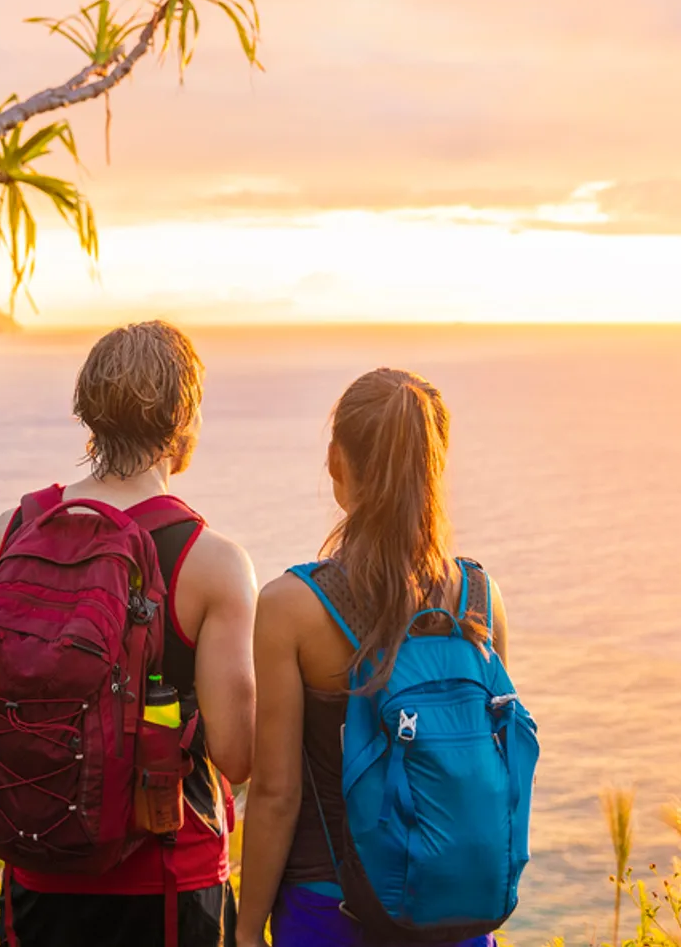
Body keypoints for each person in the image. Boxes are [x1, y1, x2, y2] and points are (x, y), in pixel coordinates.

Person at [0, 320, 259, 947]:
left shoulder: (10, 531)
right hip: (170, 887)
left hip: (37, 876)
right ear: (185, 422)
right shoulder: (211, 562)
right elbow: (237, 755)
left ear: (88, 414)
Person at [236, 368, 514, 947]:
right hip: (452, 916)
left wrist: (243, 929)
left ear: (338, 463)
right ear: (434, 470)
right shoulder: (480, 599)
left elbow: (275, 794)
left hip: (328, 910)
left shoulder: (291, 607)